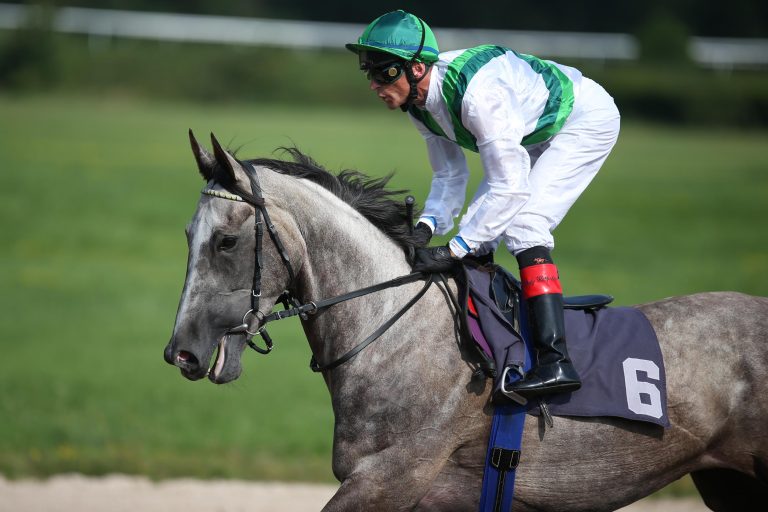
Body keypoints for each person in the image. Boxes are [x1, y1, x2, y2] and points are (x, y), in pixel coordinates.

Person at [345, 10, 620, 399]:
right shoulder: (419, 105)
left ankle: (555, 361)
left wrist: (453, 248)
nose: (374, 84)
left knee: (523, 225)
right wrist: (425, 229)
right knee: (480, 233)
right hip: (528, 127)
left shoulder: (477, 97)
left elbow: (509, 189)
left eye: (384, 72)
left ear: (418, 68)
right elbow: (449, 176)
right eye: (368, 72)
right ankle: (491, 345)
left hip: (582, 119)